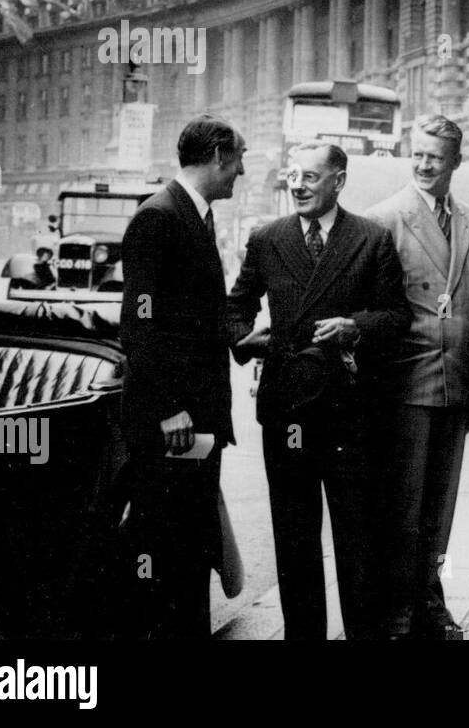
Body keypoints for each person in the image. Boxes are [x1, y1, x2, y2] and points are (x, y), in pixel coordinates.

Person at [226, 142, 409, 639]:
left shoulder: (370, 239)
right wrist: (248, 339)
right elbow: (235, 308)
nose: (298, 185)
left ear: (338, 182)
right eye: (293, 175)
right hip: (288, 406)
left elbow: (397, 316)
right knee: (293, 536)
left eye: (310, 176)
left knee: (358, 535)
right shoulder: (268, 238)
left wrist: (355, 327)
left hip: (350, 408)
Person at [119, 114, 244, 638]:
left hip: (194, 422)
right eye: (237, 160)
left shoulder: (193, 215)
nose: (240, 172)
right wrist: (170, 407)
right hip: (173, 424)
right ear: (217, 156)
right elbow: (139, 326)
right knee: (169, 551)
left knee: (190, 547)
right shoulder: (159, 217)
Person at [369, 114, 469, 639]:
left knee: (440, 506)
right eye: (418, 153)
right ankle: (398, 613)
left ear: (455, 161)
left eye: (436, 156)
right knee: (404, 507)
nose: (425, 163)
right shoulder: (385, 218)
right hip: (407, 382)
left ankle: (430, 603)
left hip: (454, 381)